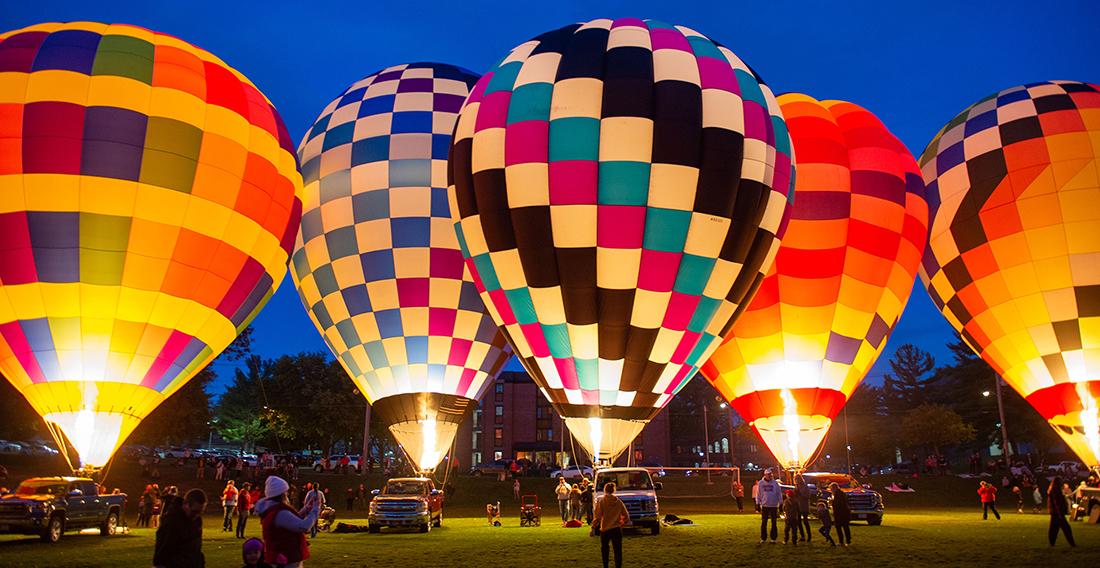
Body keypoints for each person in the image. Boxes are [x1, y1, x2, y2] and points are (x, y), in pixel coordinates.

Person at [256, 476, 319, 568]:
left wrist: (306, 509)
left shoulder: (273, 510)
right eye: (285, 491)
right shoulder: (280, 513)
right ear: (281, 494)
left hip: (280, 555)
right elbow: (303, 526)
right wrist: (316, 510)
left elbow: (291, 522)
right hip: (286, 558)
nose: (287, 493)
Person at [153, 488, 206, 568]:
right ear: (184, 504)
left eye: (200, 512)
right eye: (194, 511)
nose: (197, 515)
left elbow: (196, 549)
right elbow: (162, 555)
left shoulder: (196, 521)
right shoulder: (171, 522)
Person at [593, 482, 629, 568]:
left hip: (605, 529)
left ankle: (606, 565)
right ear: (614, 490)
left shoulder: (602, 503)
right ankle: (618, 566)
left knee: (605, 549)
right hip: (616, 529)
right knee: (618, 550)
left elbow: (597, 516)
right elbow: (626, 516)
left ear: (605, 490)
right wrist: (623, 523)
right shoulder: (619, 503)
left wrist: (594, 526)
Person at [1047, 476, 1075, 547]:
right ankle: (1072, 543)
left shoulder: (1053, 490)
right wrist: (1060, 513)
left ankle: (1052, 543)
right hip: (1057, 513)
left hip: (1054, 512)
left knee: (1054, 528)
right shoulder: (1056, 491)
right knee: (1066, 528)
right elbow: (1057, 502)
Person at [756, 470, 782, 543]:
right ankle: (763, 538)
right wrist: (757, 503)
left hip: (773, 505)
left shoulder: (775, 483)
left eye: (770, 474)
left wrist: (780, 503)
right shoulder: (761, 483)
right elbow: (758, 493)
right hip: (765, 505)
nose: (769, 476)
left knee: (774, 522)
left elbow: (778, 494)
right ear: (765, 475)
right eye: (768, 475)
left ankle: (773, 538)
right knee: (764, 522)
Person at [794, 474, 811, 541]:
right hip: (798, 506)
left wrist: (800, 493)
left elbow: (808, 496)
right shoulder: (796, 487)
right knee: (798, 522)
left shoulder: (805, 487)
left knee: (805, 521)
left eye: (798, 479)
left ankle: (809, 536)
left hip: (804, 506)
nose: (797, 481)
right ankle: (802, 536)